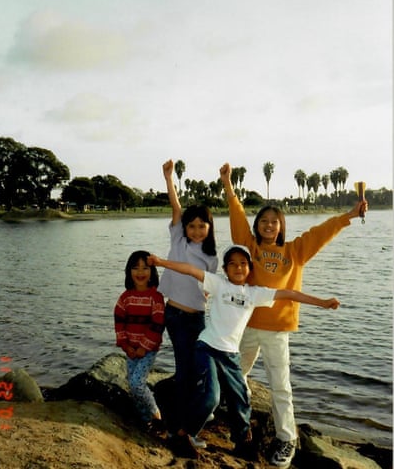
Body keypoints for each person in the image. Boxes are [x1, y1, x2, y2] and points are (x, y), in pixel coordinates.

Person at [219, 162, 368, 468]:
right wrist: (228, 186)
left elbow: (321, 232)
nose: (269, 225)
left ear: (281, 226)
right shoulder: (249, 248)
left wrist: (349, 216)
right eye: (264, 221)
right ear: (258, 225)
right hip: (246, 325)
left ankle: (287, 439)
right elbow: (236, 218)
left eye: (275, 221)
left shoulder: (295, 252)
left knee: (280, 386)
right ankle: (241, 423)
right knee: (236, 377)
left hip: (276, 331)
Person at [148, 245, 339, 458]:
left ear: (249, 268)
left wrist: (322, 303)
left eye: (243, 263)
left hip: (230, 355)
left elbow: (289, 293)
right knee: (211, 398)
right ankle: (182, 434)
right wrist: (161, 262)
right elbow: (189, 269)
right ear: (225, 269)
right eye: (232, 264)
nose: (238, 267)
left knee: (241, 400)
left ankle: (241, 443)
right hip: (207, 348)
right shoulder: (219, 284)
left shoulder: (254, 293)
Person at [158, 159, 218, 436]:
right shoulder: (178, 240)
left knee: (198, 372)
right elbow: (176, 207)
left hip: (200, 319)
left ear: (209, 227)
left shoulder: (211, 257)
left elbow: (211, 289)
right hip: (177, 316)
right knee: (184, 369)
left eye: (201, 226)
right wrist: (169, 179)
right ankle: (177, 424)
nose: (195, 230)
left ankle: (188, 416)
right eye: (191, 225)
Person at [114, 250, 166, 432]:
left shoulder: (156, 297)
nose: (140, 272)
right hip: (130, 349)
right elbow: (119, 323)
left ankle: (155, 415)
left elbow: (157, 326)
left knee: (137, 383)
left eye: (145, 268)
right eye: (135, 268)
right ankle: (144, 420)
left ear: (152, 272)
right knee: (132, 383)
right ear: (129, 272)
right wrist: (126, 345)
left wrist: (144, 348)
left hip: (148, 350)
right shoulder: (125, 298)